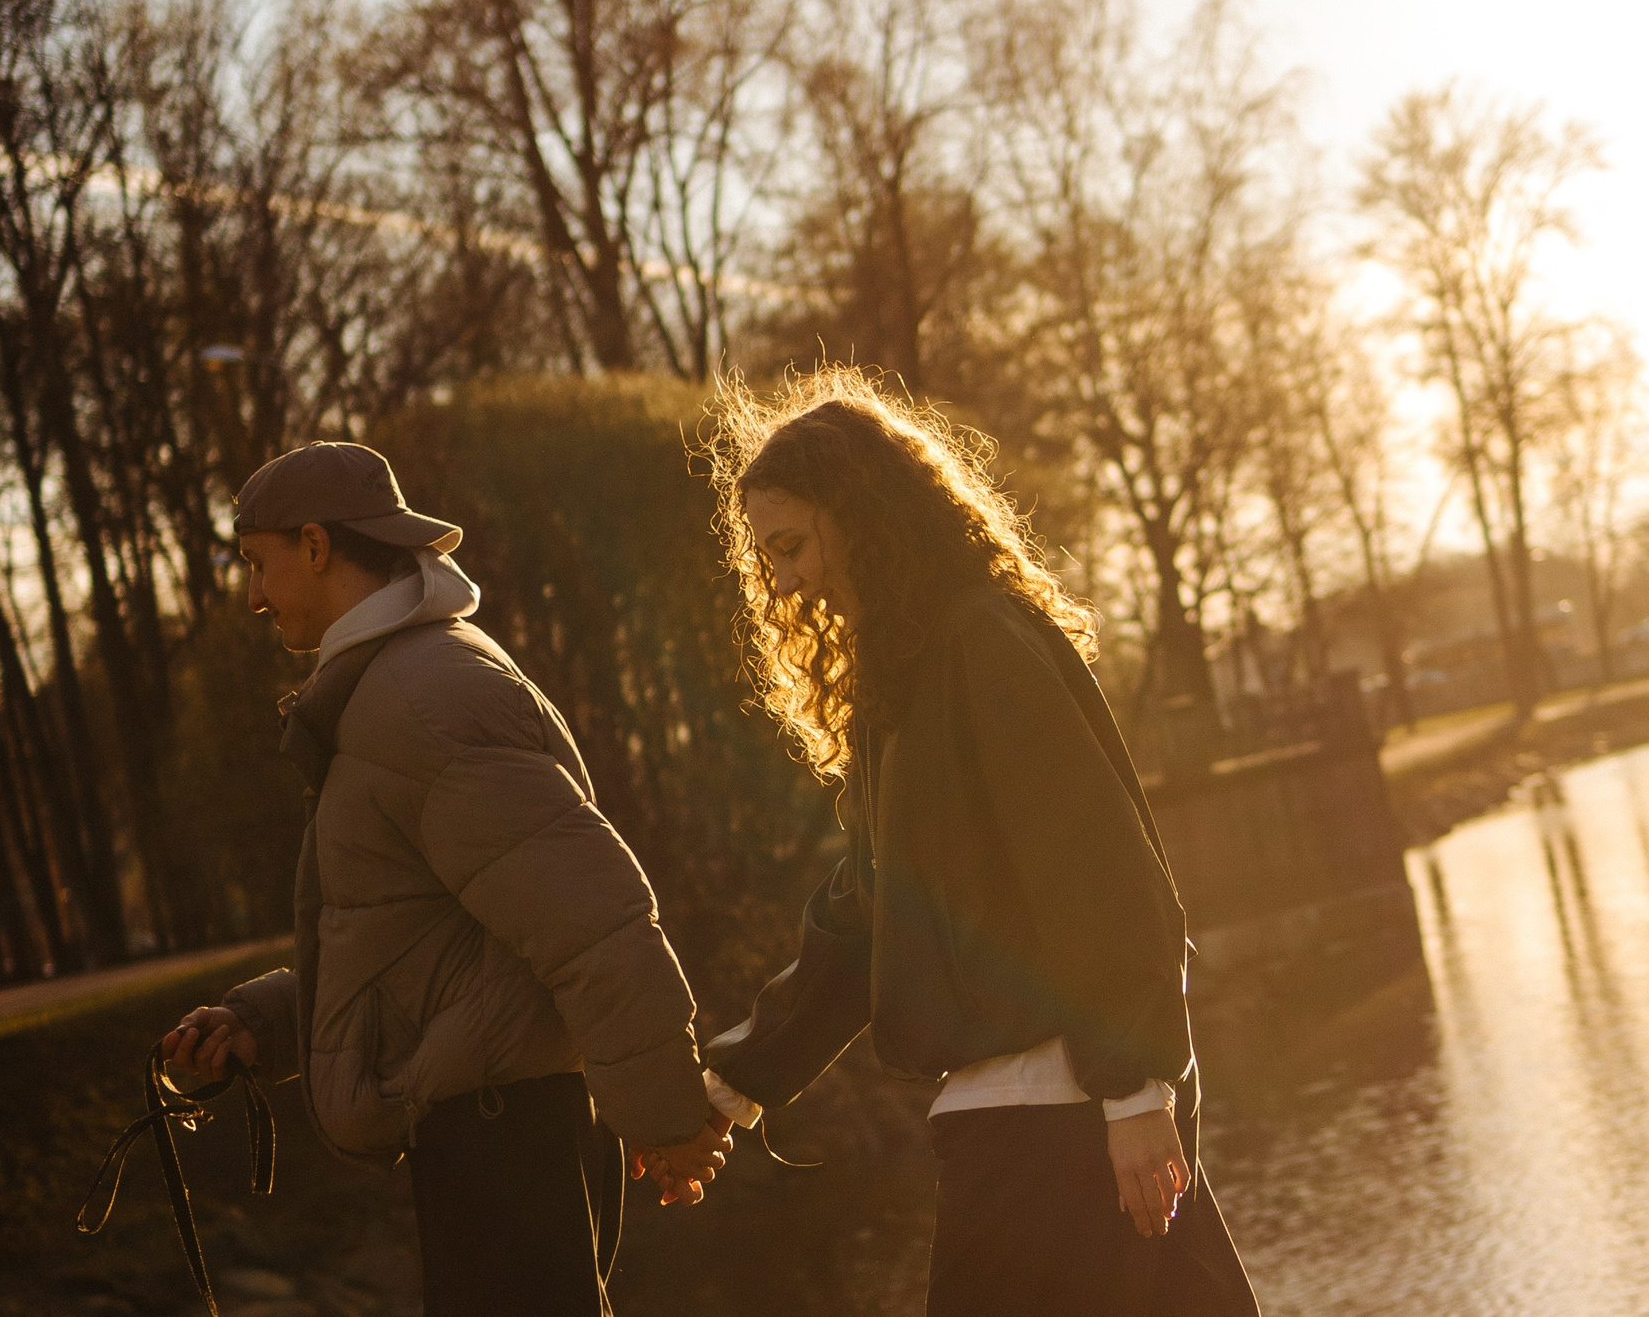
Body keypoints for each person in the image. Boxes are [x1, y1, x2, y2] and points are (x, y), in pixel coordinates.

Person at [698, 373, 1261, 1317]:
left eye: (790, 546)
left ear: (862, 514)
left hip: (1060, 1124)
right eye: (769, 559)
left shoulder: (981, 644)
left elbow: (1098, 867)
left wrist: (1132, 1096)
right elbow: (870, 909)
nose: (784, 581)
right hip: (1032, 1122)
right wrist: (737, 1081)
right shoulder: (900, 678)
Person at [157, 441, 732, 1317]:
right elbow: (418, 934)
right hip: (486, 1129)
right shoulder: (394, 688)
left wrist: (666, 1115)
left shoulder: (424, 697)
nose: (253, 595)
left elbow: (592, 916)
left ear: (316, 545)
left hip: (506, 1135)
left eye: (258, 563)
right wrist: (263, 1023)